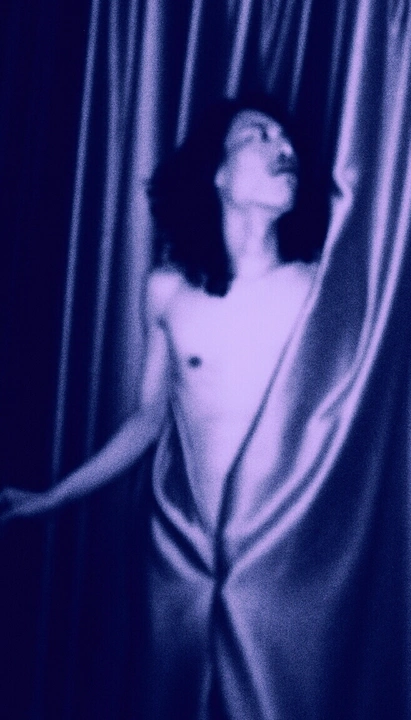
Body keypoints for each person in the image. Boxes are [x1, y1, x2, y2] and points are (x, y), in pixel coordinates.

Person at [0, 96, 330, 716]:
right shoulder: (167, 293)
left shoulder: (317, 289)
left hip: (290, 567)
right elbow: (148, 420)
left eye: (287, 138)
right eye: (258, 135)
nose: (283, 147)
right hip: (189, 568)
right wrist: (52, 498)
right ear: (217, 173)